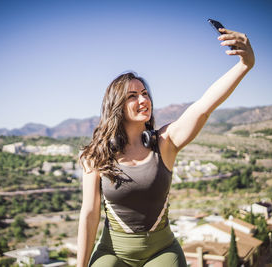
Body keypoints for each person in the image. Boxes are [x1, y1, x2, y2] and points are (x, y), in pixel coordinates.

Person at [77, 27, 255, 267]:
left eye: (144, 93)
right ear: (116, 106)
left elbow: (203, 107)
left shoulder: (165, 142)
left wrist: (244, 65)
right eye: (132, 96)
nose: (143, 100)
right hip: (113, 252)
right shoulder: (96, 155)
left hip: (161, 253)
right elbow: (89, 214)